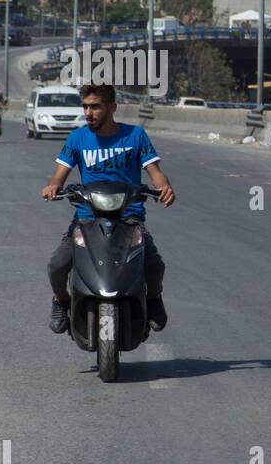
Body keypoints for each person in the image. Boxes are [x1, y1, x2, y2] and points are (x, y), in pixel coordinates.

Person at [40, 83, 175, 334]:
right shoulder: (77, 138)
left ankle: (153, 299)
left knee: (155, 266)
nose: (89, 113)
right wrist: (52, 187)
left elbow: (155, 174)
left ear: (112, 107)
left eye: (95, 107)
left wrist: (165, 188)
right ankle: (61, 302)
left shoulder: (135, 136)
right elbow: (59, 175)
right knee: (57, 266)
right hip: (88, 218)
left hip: (129, 218)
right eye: (85, 107)